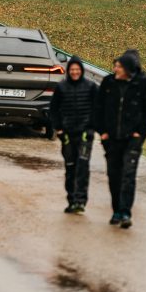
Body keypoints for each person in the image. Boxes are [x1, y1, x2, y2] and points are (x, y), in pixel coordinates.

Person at [93, 49, 146, 229]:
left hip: (133, 138)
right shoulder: (108, 83)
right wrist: (102, 132)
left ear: (128, 69)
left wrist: (143, 130)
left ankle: (126, 212)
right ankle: (116, 210)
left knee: (128, 175)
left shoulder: (144, 84)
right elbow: (98, 108)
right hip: (111, 137)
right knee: (114, 175)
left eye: (119, 67)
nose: (115, 69)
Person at [50, 56, 97, 214]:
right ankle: (71, 200)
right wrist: (59, 129)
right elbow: (53, 110)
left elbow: (98, 109)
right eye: (72, 70)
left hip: (85, 135)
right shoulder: (61, 87)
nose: (75, 72)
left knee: (83, 168)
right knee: (70, 168)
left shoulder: (91, 87)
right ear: (68, 71)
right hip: (67, 136)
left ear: (81, 70)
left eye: (77, 70)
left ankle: (81, 201)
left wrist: (91, 129)